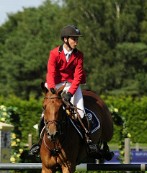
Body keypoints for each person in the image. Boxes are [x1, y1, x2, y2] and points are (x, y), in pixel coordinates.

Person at [29, 25, 100, 157]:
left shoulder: (79, 55)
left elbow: (78, 76)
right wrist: (51, 88)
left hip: (72, 84)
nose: (76, 42)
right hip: (55, 84)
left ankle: (88, 141)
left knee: (81, 112)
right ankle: (39, 143)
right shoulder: (54, 53)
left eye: (77, 39)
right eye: (74, 39)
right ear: (65, 39)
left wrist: (69, 93)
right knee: (46, 114)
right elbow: (51, 72)